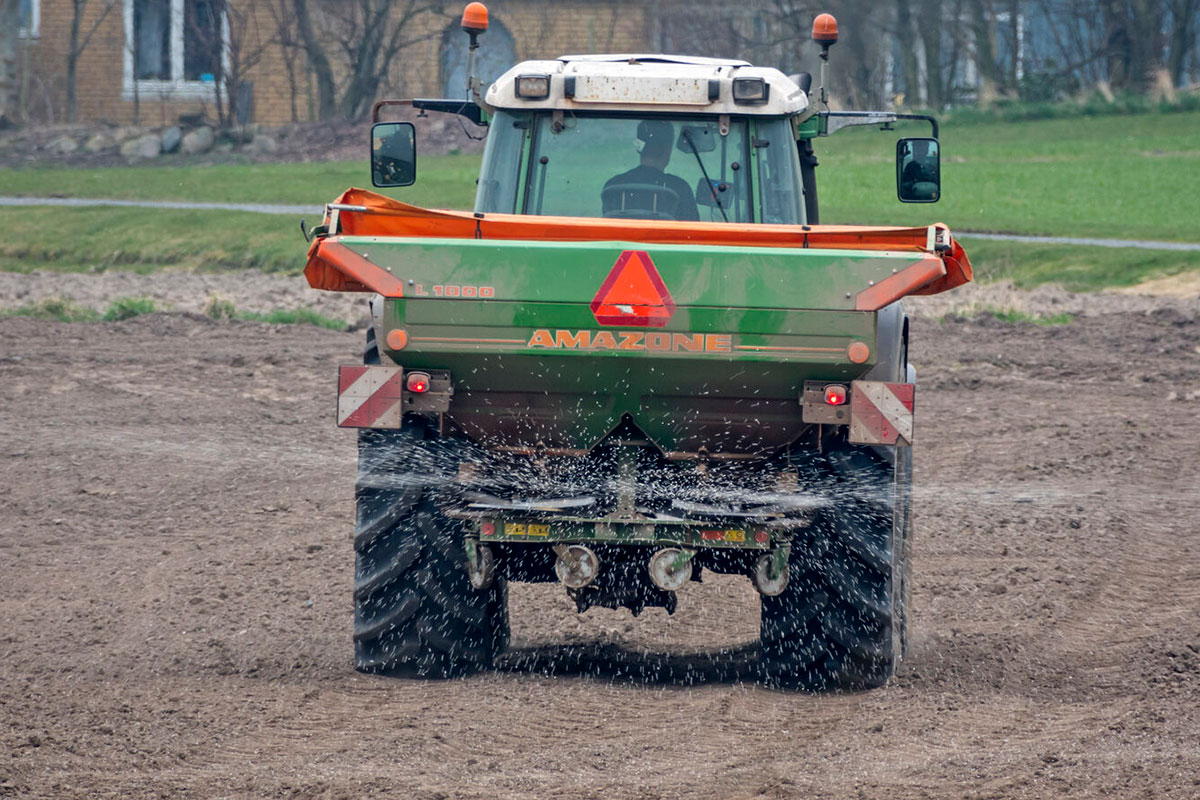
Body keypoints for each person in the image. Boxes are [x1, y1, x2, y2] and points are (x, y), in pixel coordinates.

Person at [602, 120, 700, 221]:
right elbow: (694, 234)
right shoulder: (680, 188)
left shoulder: (613, 186)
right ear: (668, 149)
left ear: (638, 148)